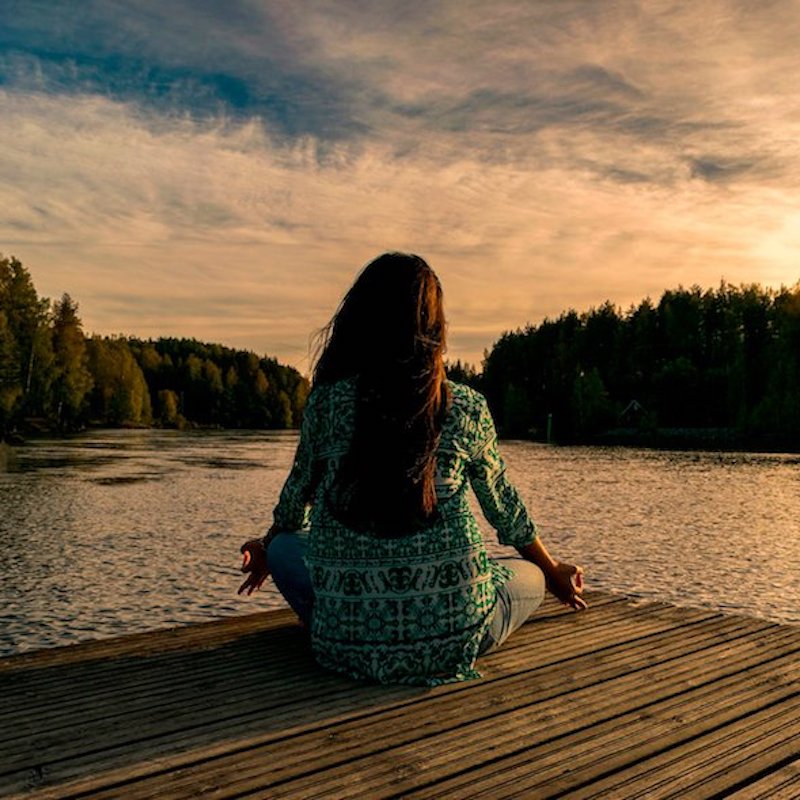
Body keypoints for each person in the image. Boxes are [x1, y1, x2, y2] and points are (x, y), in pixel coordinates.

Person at [239, 252, 586, 686]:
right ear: (434, 328)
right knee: (529, 574)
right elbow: (505, 510)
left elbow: (295, 503)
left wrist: (268, 546)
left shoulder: (327, 404)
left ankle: (350, 622)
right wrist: (553, 572)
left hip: (344, 646)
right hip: (454, 638)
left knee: (288, 547)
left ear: (359, 322)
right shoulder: (465, 407)